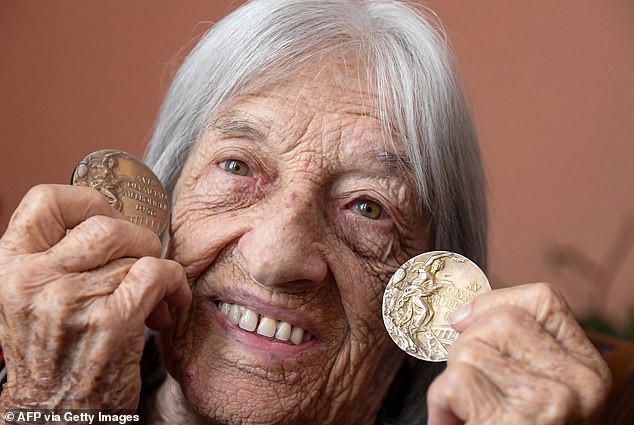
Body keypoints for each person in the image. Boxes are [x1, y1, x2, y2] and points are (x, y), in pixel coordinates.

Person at [0, 0, 610, 423]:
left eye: (368, 206)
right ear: (164, 197)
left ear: (436, 280)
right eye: (238, 167)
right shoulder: (34, 374)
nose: (275, 257)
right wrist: (56, 409)